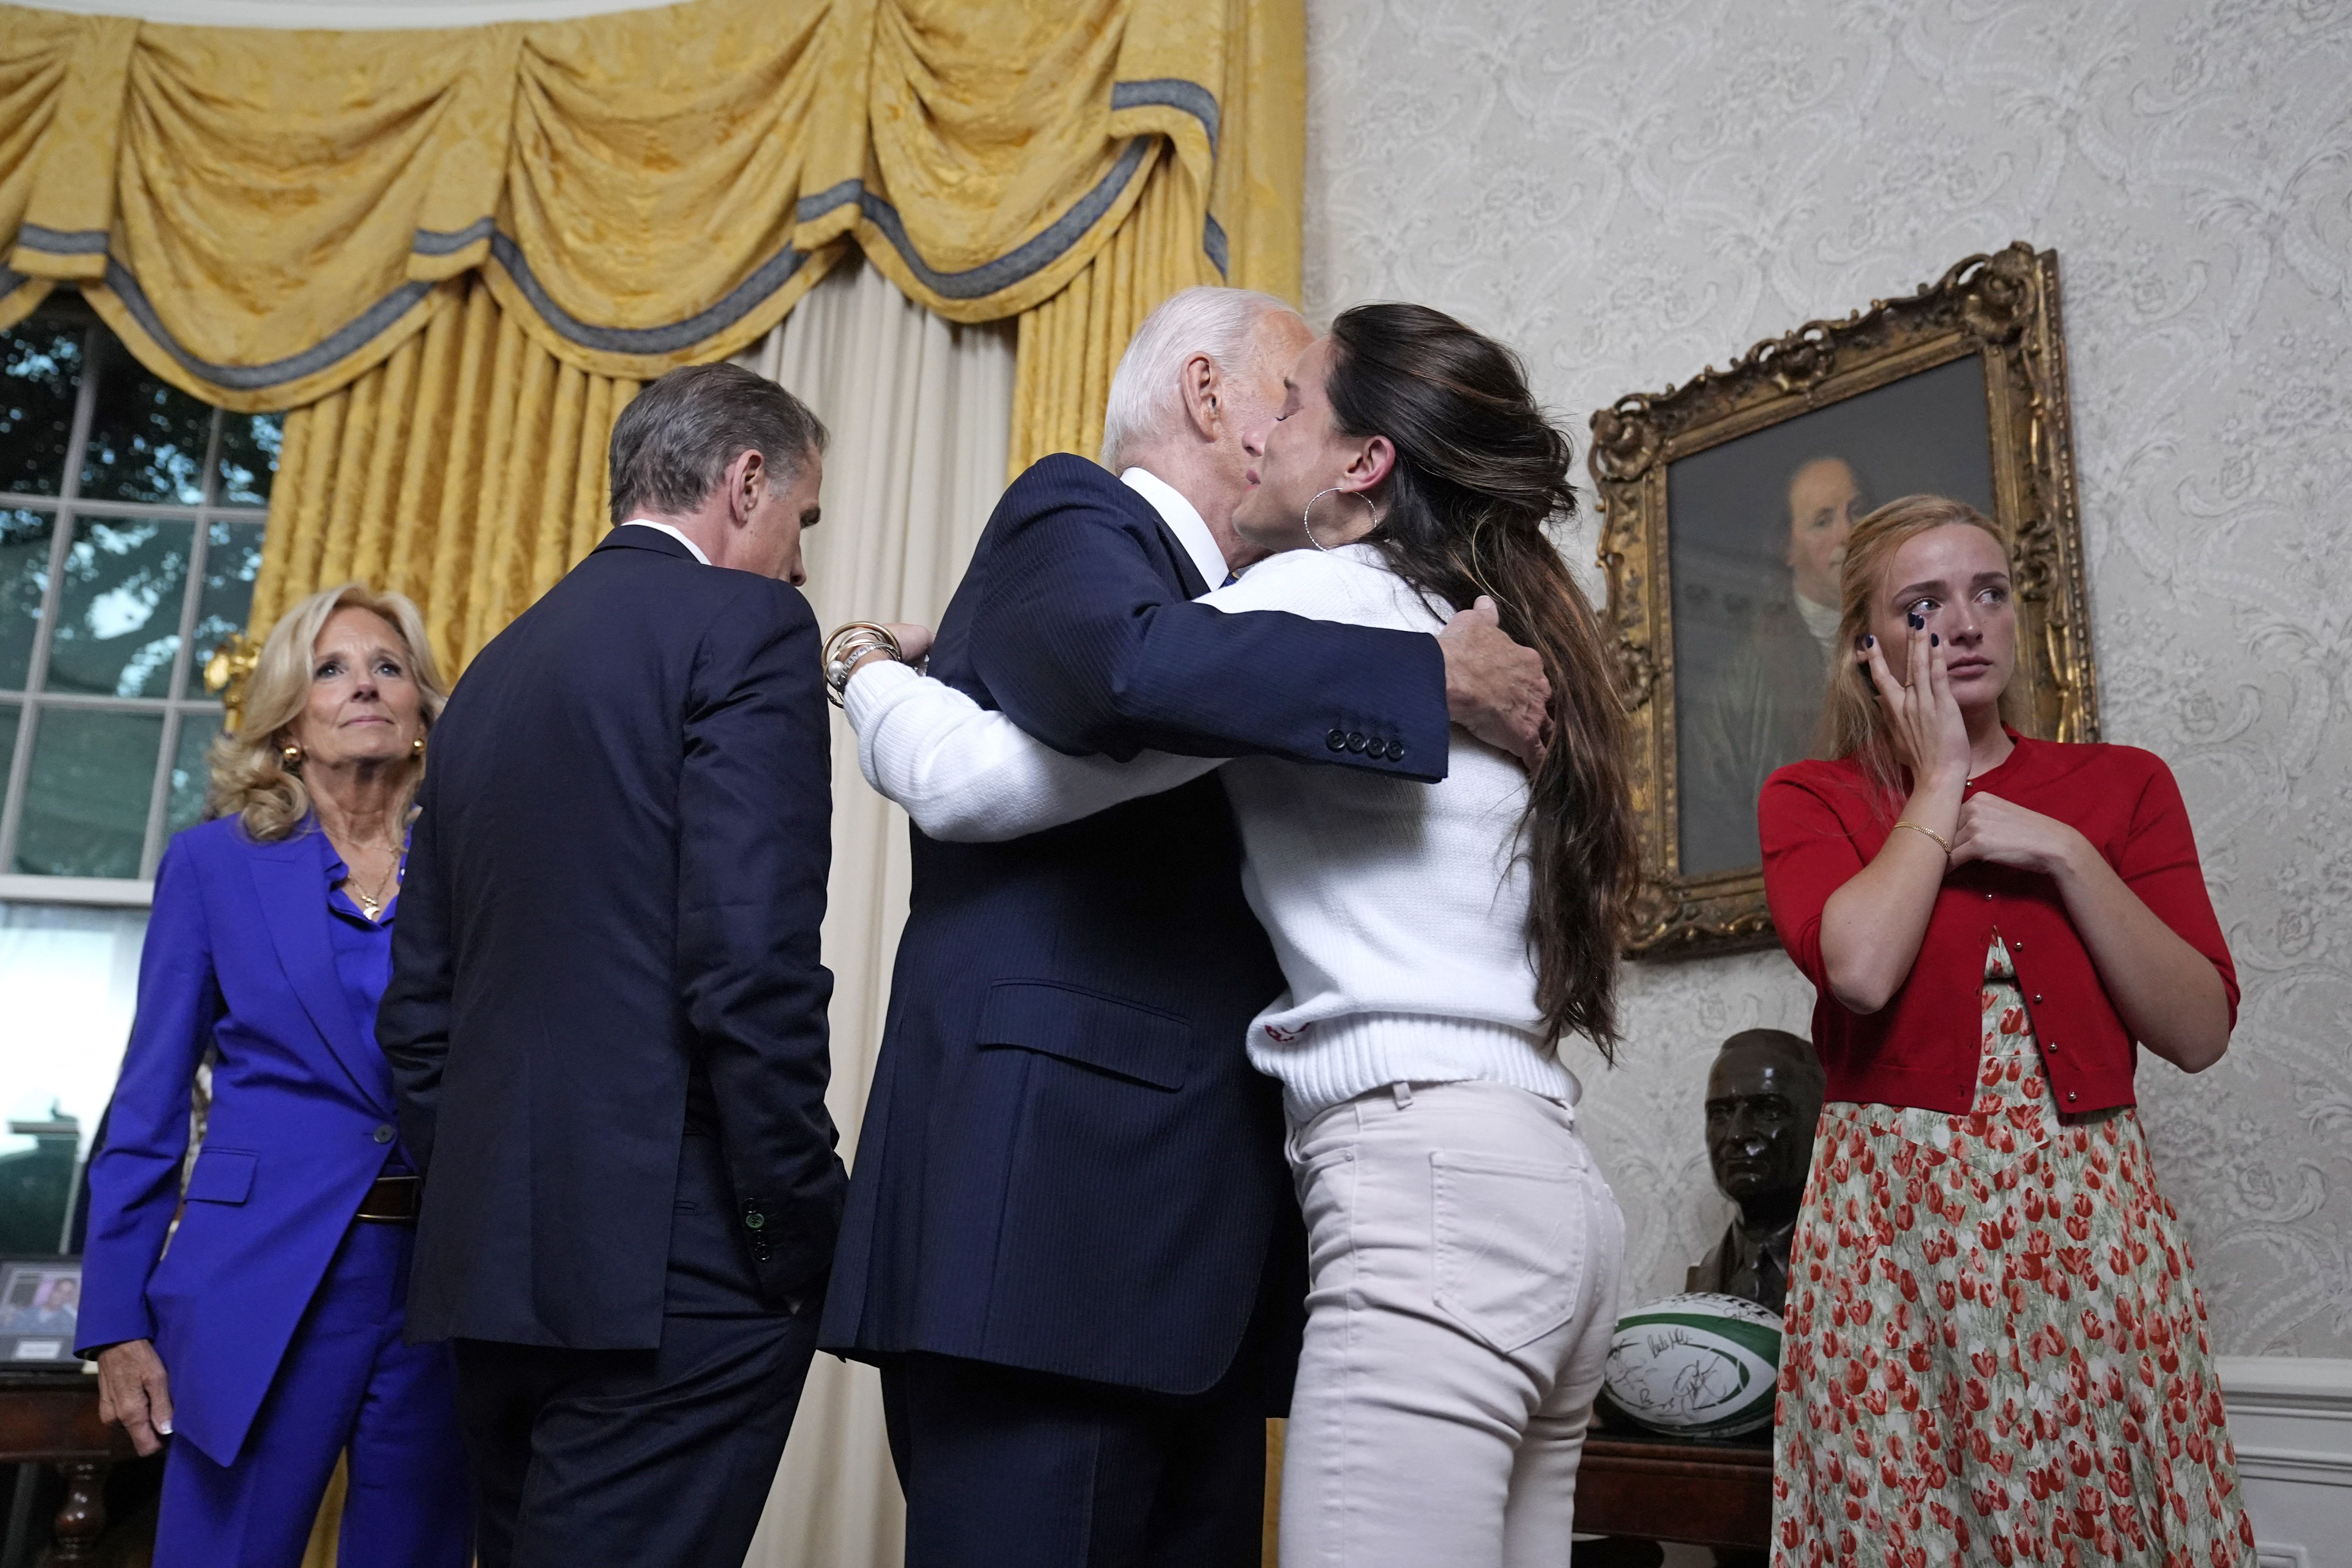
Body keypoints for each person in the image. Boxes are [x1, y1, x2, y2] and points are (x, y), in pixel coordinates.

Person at [839, 301, 1637, 1568]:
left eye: (1301, 407)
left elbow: (968, 775)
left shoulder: (1312, 604)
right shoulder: (1472, 618)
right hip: (1541, 1197)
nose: (1274, 432)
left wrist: (864, 661)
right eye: (1275, 395)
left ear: (1366, 462)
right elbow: (1128, 675)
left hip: (1408, 1196)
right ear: (1207, 398)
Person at [378, 365, 843, 1568]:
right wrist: (798, 1225)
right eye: (803, 518)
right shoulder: (749, 626)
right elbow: (749, 964)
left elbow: (417, 1014)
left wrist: (498, 1189)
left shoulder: (489, 674)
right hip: (675, 1268)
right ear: (746, 482)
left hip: (493, 1272)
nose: (799, 561)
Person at [1758, 495, 2258, 1567]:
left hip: (2085, 1220)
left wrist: (2068, 855)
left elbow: (2200, 1027)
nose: (1968, 623)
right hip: (1895, 1236)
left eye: (1988, 592)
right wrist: (1939, 779)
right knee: (1910, 1516)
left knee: (2107, 1509)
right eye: (1925, 604)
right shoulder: (1814, 796)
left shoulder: (2123, 786)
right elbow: (1859, 968)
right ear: (1869, 645)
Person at [78, 583, 470, 1568]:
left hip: (448, 1282)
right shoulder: (214, 865)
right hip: (258, 1277)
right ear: (291, 717)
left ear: (423, 709)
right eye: (332, 669)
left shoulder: (478, 863)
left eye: (388, 666)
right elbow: (149, 1097)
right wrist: (115, 1316)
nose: (364, 686)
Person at [1681, 455, 1867, 875]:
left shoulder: (1910, 638)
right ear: (1788, 548)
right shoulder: (1737, 687)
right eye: (1823, 521)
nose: (1848, 533)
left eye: (1855, 512)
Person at [1685, 1029, 1824, 1314]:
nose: (1736, 1135)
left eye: (1768, 1111)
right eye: (1720, 1114)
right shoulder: (1705, 1278)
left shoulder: (1858, 1270)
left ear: (1820, 1124)